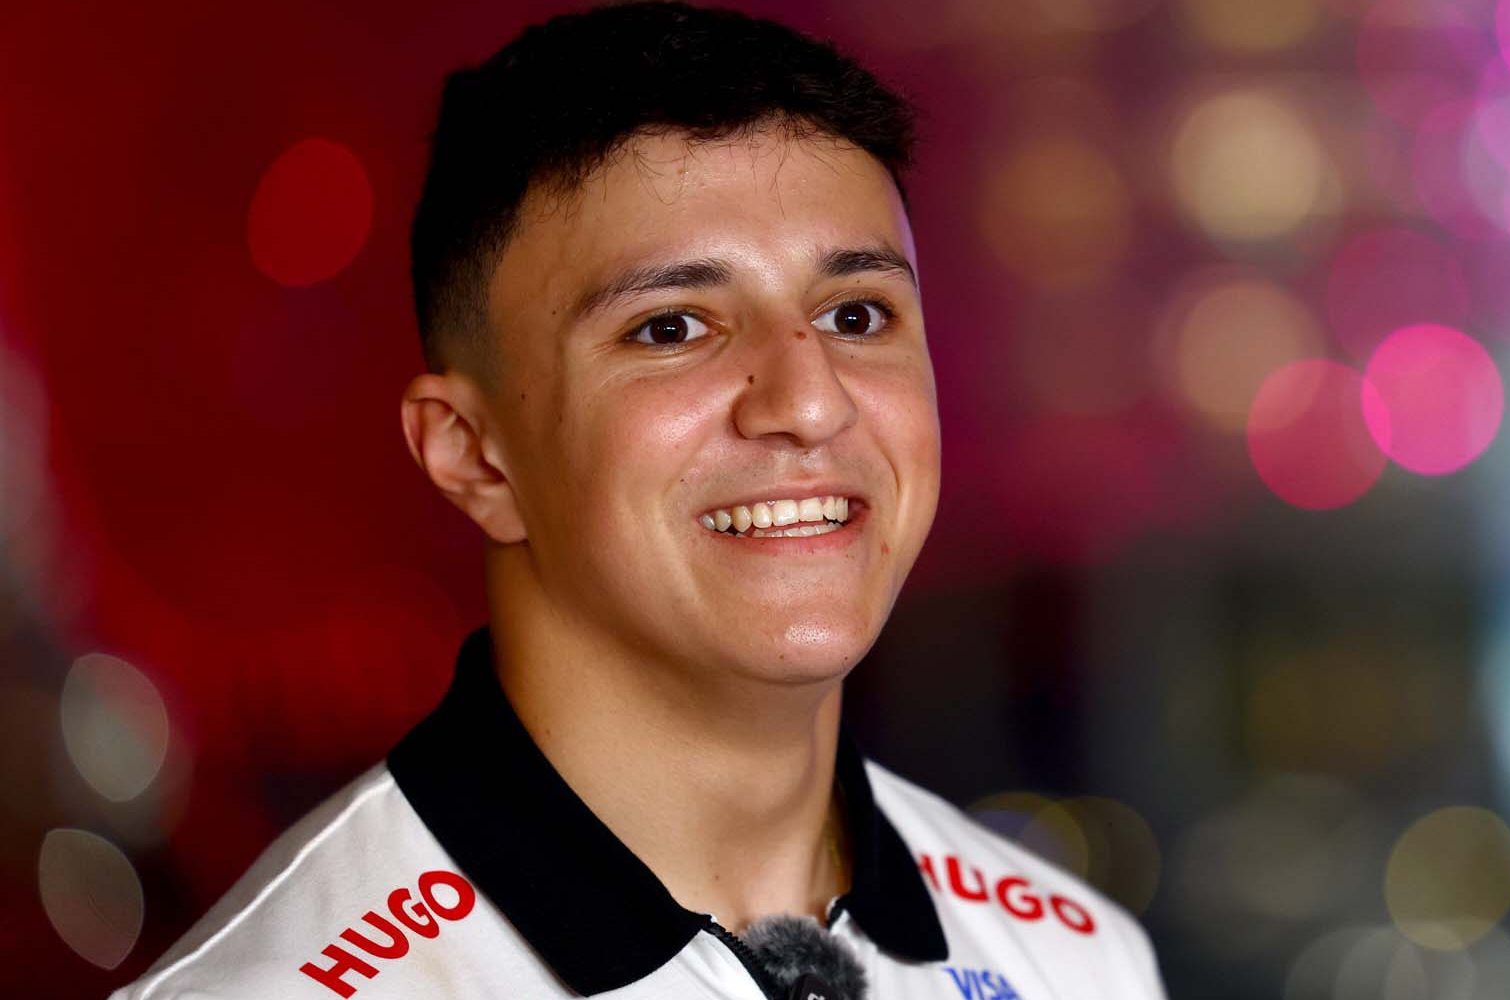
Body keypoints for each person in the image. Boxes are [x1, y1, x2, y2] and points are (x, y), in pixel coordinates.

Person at [108, 3, 1168, 998]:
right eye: (672, 327)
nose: (808, 402)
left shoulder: (1076, 958)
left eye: (855, 313)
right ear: (474, 455)